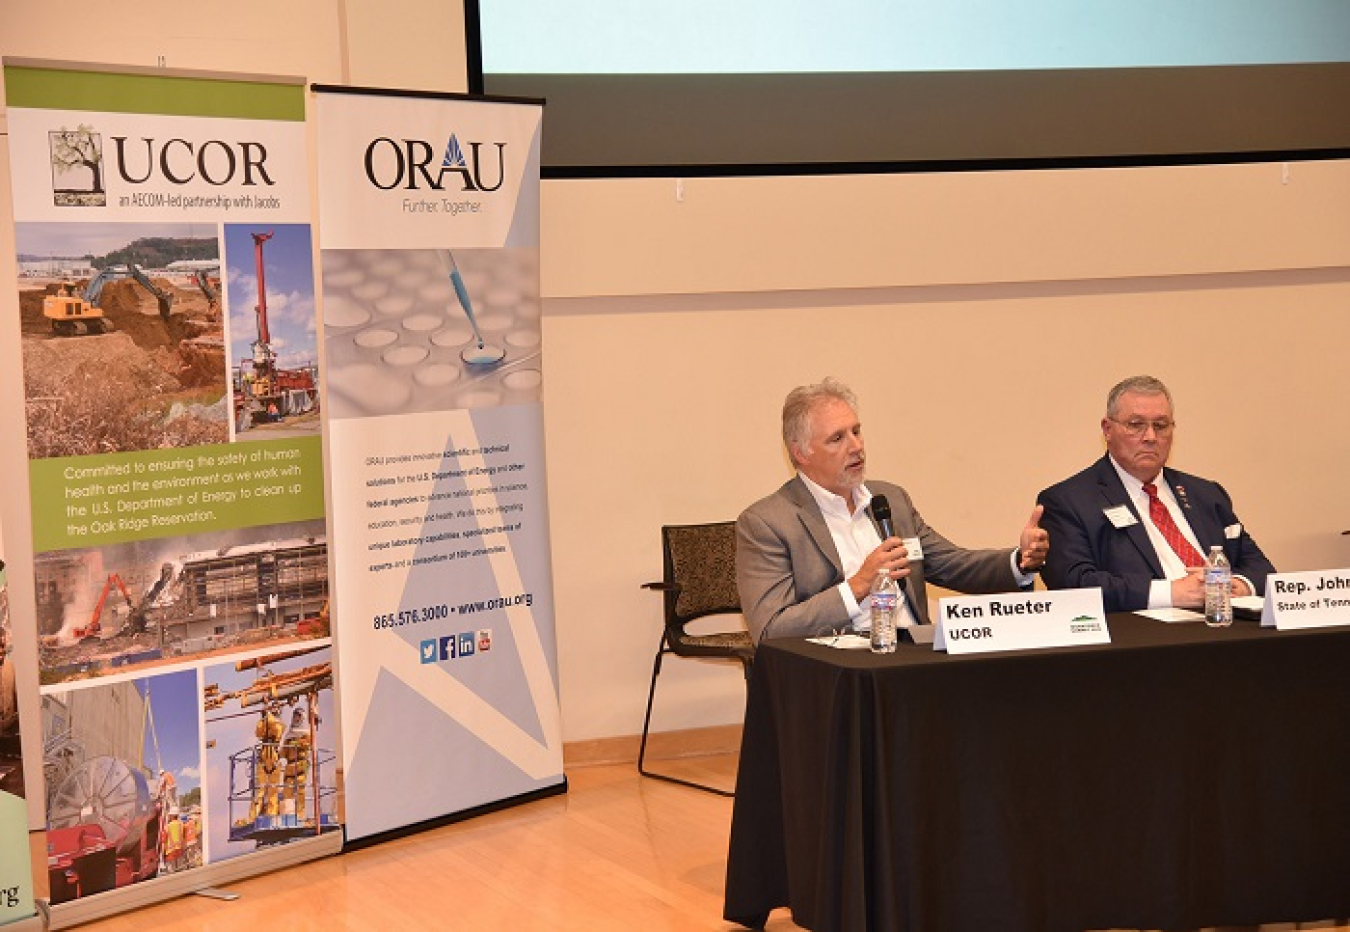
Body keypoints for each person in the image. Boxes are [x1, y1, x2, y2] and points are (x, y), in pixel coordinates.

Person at [736, 378, 1049, 643]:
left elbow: (951, 563)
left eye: (856, 431)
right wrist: (860, 584)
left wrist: (1019, 561)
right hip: (842, 671)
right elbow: (771, 629)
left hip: (914, 657)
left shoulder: (890, 499)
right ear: (801, 452)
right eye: (837, 438)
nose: (856, 446)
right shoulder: (767, 523)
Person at [1036, 375, 1275, 613]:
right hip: (1145, 639)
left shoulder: (1206, 494)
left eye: (1160, 426)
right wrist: (1172, 593)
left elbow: (1262, 569)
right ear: (1107, 429)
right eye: (1136, 424)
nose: (1150, 437)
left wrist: (1235, 585)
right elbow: (1076, 585)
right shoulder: (1067, 501)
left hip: (1227, 628)